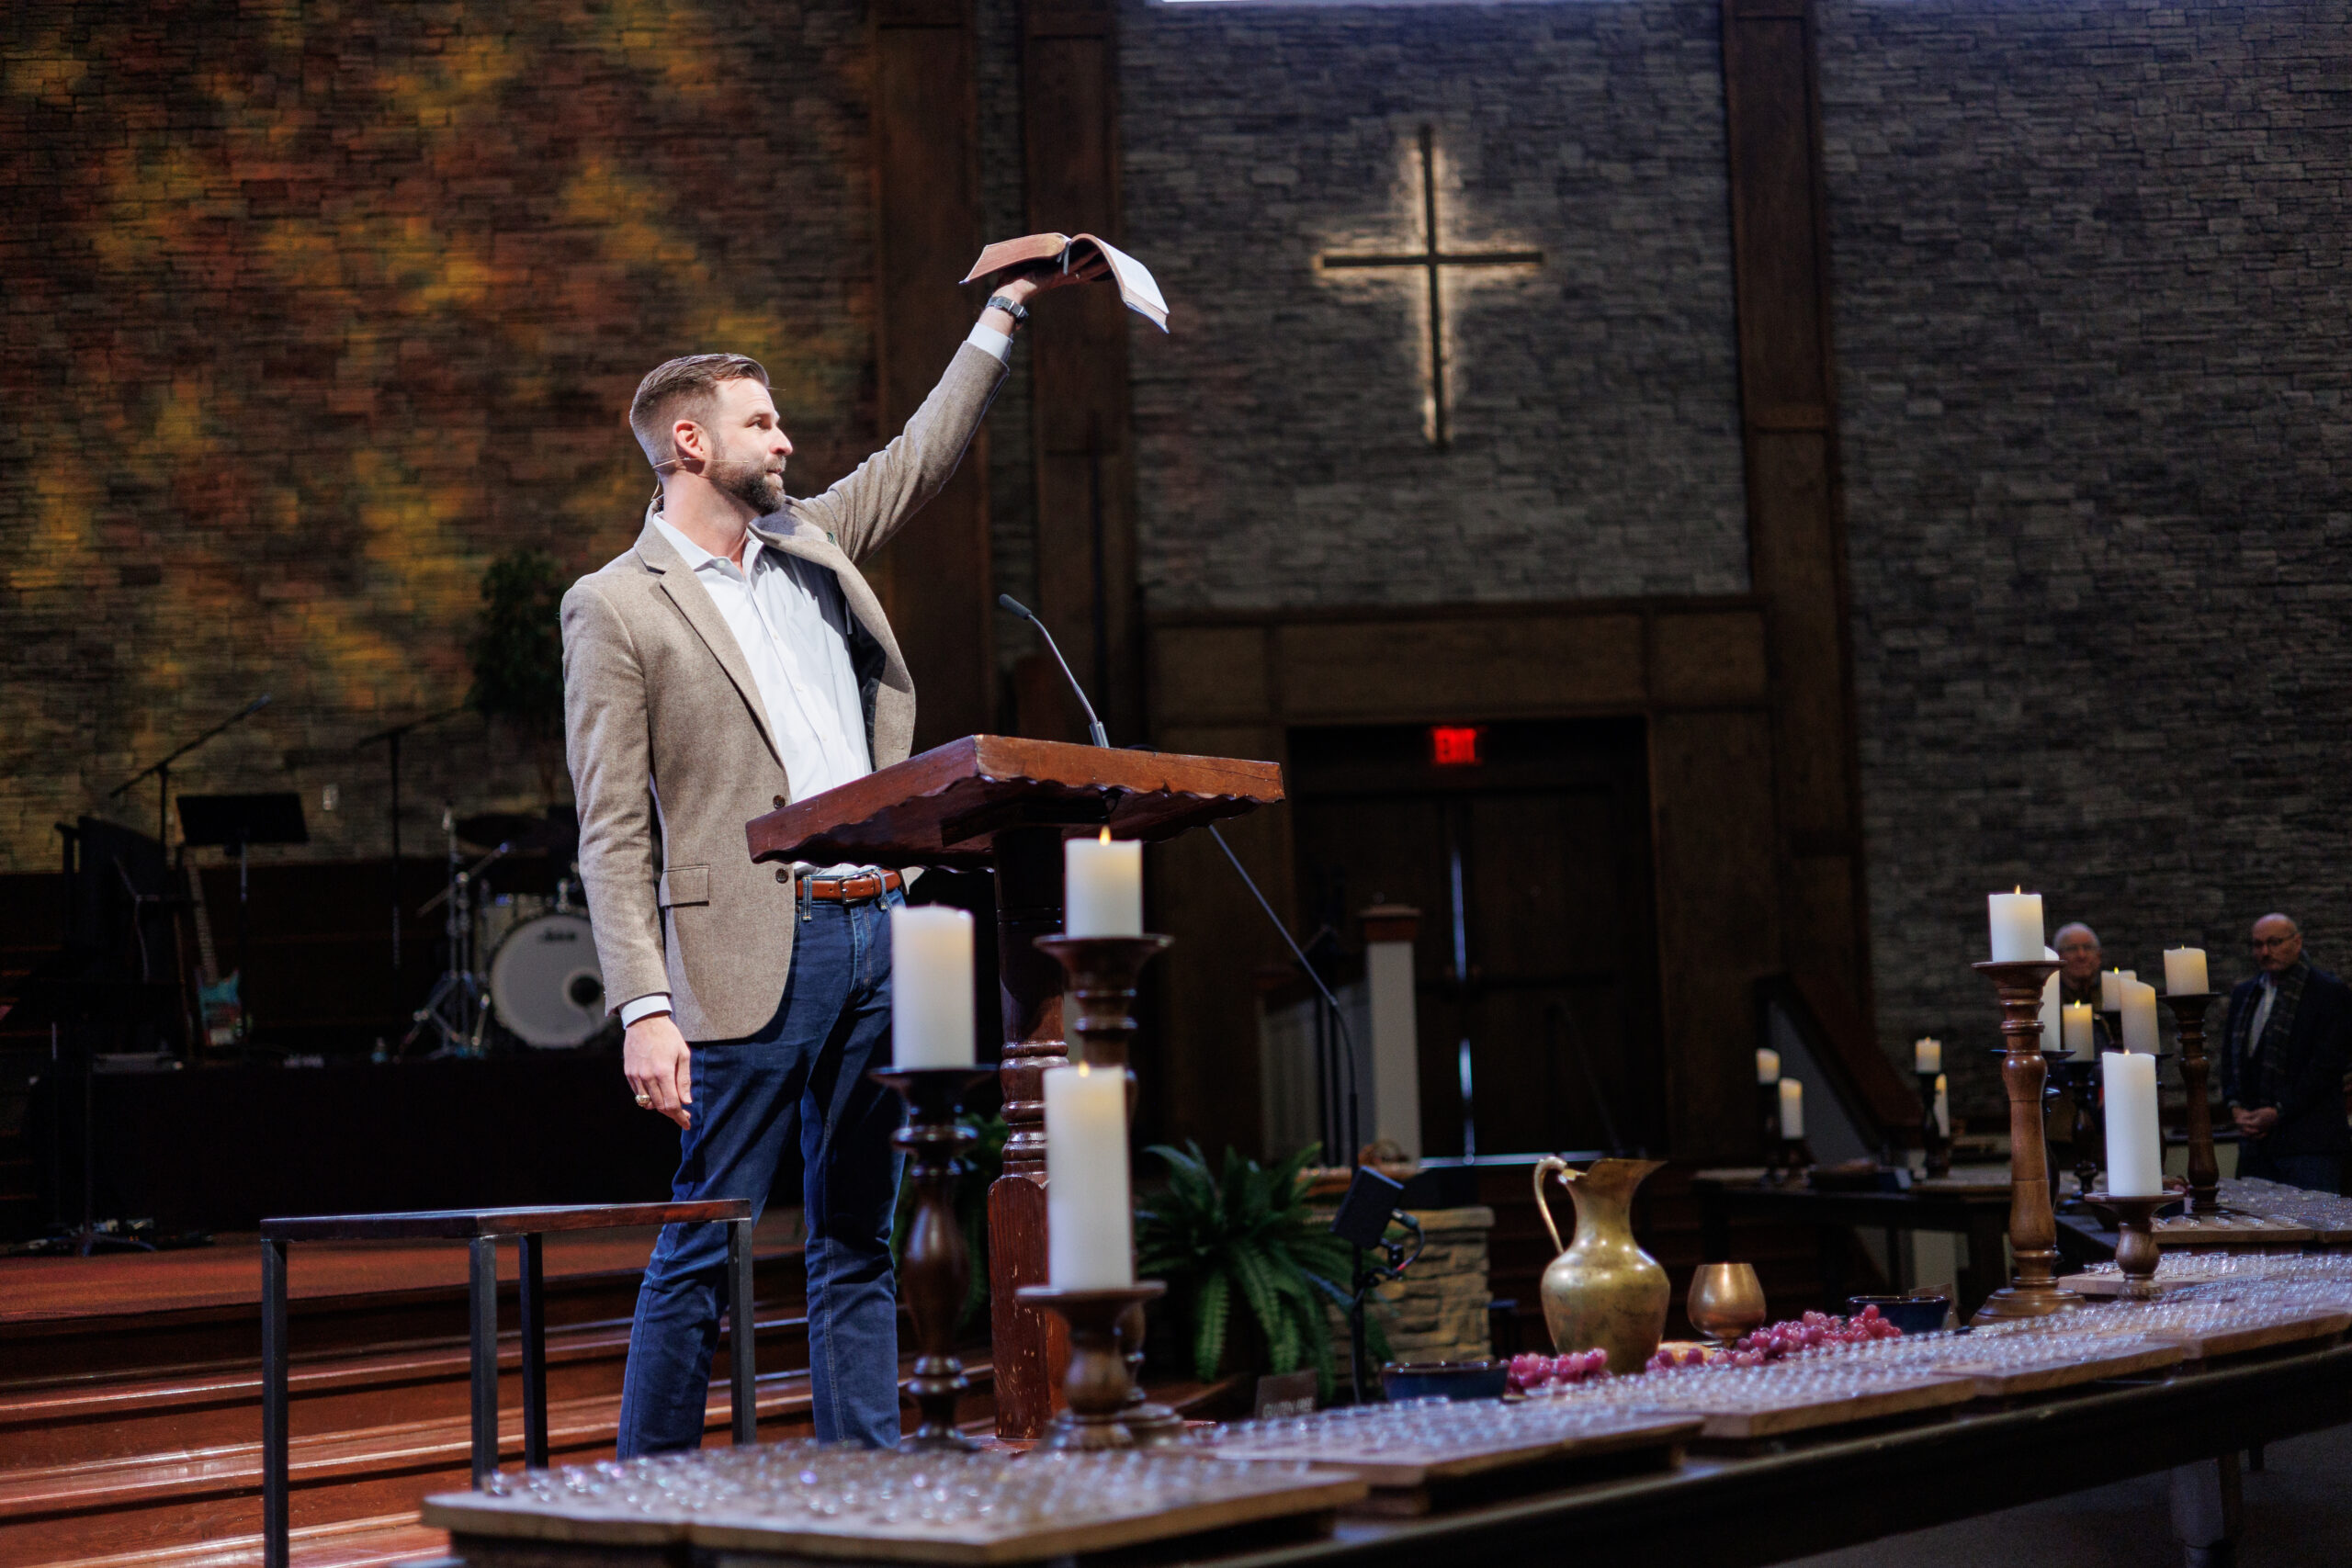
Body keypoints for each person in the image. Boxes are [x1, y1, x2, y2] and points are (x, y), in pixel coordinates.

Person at [563, 262, 1101, 1456]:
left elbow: (920, 454)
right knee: (708, 1234)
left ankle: (865, 1470)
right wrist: (644, 1006)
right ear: (690, 441)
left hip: (876, 927)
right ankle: (645, 1490)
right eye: (763, 420)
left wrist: (1002, 313)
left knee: (860, 1225)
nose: (788, 439)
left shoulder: (812, 543)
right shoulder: (617, 605)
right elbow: (610, 826)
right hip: (753, 943)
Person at [2219, 914, 2352, 1194]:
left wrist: (2279, 1111)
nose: (2265, 952)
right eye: (2258, 945)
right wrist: (2235, 1106)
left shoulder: (2328, 993)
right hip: (2256, 1144)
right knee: (2256, 1231)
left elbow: (2326, 1067)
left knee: (2314, 1231)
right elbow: (2230, 1060)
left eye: (2274, 942)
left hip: (2310, 1145)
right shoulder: (2246, 994)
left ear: (2297, 942)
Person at [2053, 921, 2116, 1051]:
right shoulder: (2050, 1001)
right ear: (2058, 956)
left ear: (2098, 956)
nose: (2081, 955)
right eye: (2072, 949)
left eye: (2088, 947)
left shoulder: (2112, 995)